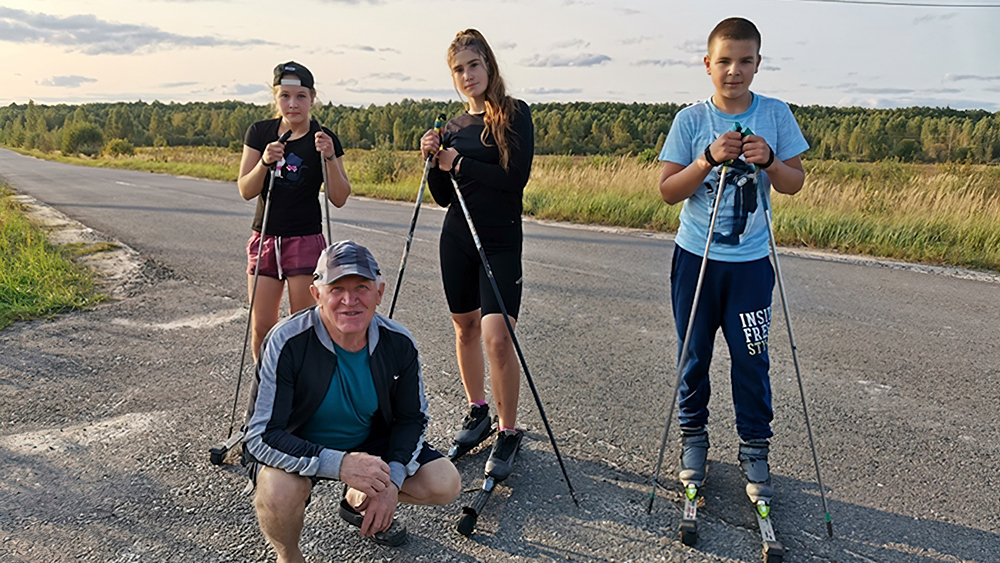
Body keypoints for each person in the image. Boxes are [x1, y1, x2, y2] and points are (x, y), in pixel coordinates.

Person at [657, 17, 808, 503]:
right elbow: (666, 191)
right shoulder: (691, 120)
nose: (734, 71)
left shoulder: (776, 114)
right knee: (693, 354)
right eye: (724, 61)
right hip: (696, 259)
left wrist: (770, 161)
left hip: (750, 264)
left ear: (758, 64)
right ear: (707, 64)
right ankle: (693, 439)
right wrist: (705, 159)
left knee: (751, 357)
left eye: (745, 61)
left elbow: (793, 183)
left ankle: (754, 447)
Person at [242, 240, 461, 562]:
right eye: (336, 289)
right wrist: (340, 464)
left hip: (368, 444)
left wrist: (390, 482)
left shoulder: (399, 342)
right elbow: (260, 436)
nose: (349, 300)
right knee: (278, 491)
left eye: (361, 287)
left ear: (379, 292)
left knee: (445, 482)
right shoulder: (286, 339)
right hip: (299, 443)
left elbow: (411, 419)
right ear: (316, 294)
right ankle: (288, 555)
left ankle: (357, 497)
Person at [420, 29, 534, 480]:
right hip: (457, 237)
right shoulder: (451, 127)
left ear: (488, 65)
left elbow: (514, 178)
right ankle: (478, 411)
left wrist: (459, 163)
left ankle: (508, 431)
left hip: (501, 239)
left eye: (473, 65)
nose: (467, 76)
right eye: (459, 69)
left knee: (497, 338)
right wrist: (432, 161)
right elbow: (444, 197)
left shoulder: (514, 115)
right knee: (465, 328)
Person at [237, 61, 352, 362]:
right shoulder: (260, 133)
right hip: (265, 239)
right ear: (275, 97)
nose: (292, 104)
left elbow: (339, 197)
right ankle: (265, 393)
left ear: (313, 98)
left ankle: (301, 396)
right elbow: (246, 190)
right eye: (285, 96)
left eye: (300, 96)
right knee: (262, 326)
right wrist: (264, 162)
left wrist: (328, 156)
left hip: (304, 240)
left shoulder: (323, 137)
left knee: (301, 326)